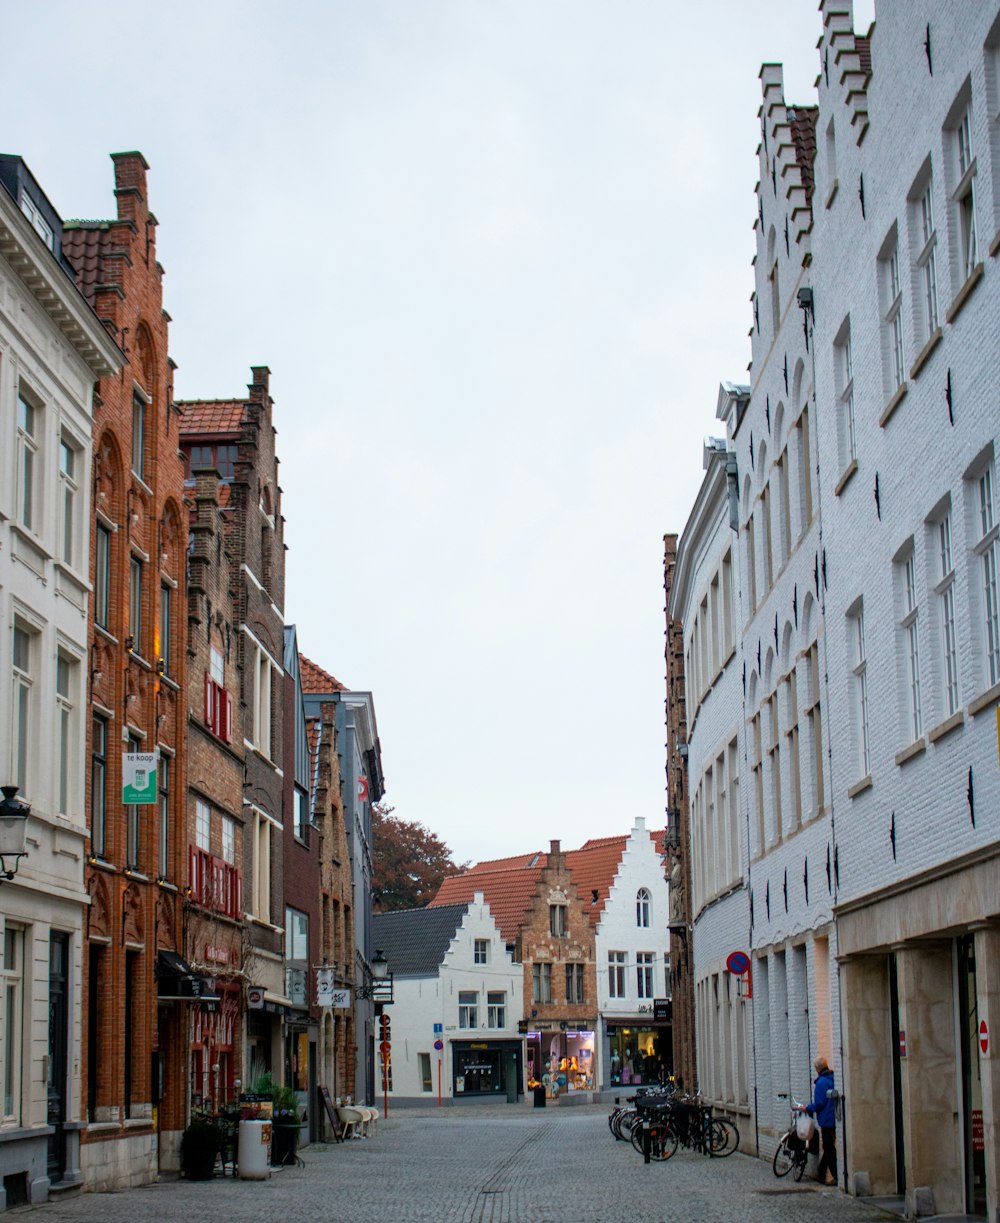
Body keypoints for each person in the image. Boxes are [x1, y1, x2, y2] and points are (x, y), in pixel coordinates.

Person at [805, 1056, 838, 1186]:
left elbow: (819, 1103)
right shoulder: (834, 1077)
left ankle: (835, 1176)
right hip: (834, 1118)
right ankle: (821, 1173)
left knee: (829, 1148)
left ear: (817, 1069)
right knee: (828, 1147)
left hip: (826, 1119)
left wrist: (808, 1108)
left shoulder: (821, 1082)